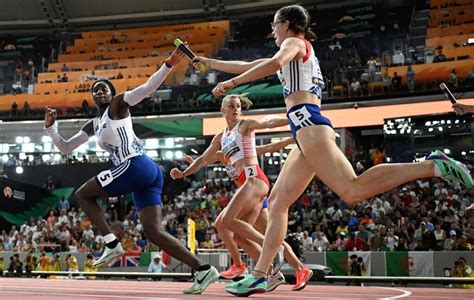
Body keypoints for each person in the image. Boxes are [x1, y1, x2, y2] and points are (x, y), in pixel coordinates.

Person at [192, 4, 473, 296]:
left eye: (275, 24)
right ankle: (263, 274)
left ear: (287, 23)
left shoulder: (293, 43)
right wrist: (209, 62)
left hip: (308, 124)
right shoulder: (291, 50)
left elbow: (269, 65)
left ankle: (432, 164)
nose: (272, 30)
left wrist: (232, 85)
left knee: (352, 190)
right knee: (276, 204)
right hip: (303, 129)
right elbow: (254, 64)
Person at [44, 46, 219, 294]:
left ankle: (111, 243)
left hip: (136, 164)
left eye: (104, 88)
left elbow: (147, 89)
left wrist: (168, 65)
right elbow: (65, 147)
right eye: (95, 89)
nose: (99, 91)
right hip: (146, 173)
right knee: (153, 232)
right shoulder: (94, 124)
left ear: (112, 93)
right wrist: (51, 129)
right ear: (92, 97)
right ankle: (203, 269)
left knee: (83, 195)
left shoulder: (118, 105)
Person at [170, 94, 290, 289]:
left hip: (254, 181)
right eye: (231, 106)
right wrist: (184, 173)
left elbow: (267, 123)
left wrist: (291, 118)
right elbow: (202, 160)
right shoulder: (221, 138)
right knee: (239, 235)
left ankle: (269, 251)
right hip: (247, 187)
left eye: (238, 106)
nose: (235, 109)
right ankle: (267, 273)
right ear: (222, 110)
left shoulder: (244, 126)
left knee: (225, 222)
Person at [182, 138, 314, 291]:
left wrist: (291, 139)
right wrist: (193, 163)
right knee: (254, 236)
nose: (228, 146)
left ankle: (242, 266)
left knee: (226, 225)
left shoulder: (245, 151)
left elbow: (269, 146)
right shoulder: (221, 155)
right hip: (251, 197)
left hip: (256, 192)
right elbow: (203, 161)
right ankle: (294, 270)